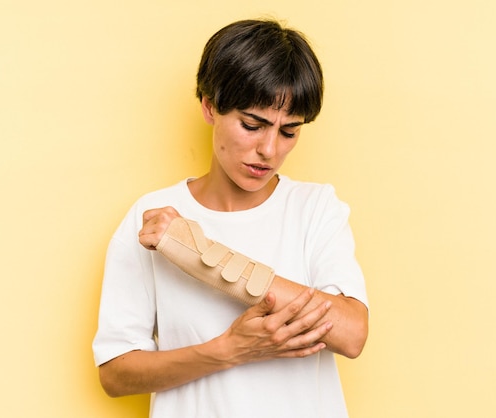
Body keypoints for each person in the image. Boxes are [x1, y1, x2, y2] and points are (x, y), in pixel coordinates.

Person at [93, 18, 369, 418]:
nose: (269, 150)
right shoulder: (152, 219)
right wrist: (227, 351)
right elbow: (115, 374)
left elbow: (352, 333)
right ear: (209, 105)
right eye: (251, 125)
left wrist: (204, 257)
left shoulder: (314, 207)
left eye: (289, 131)